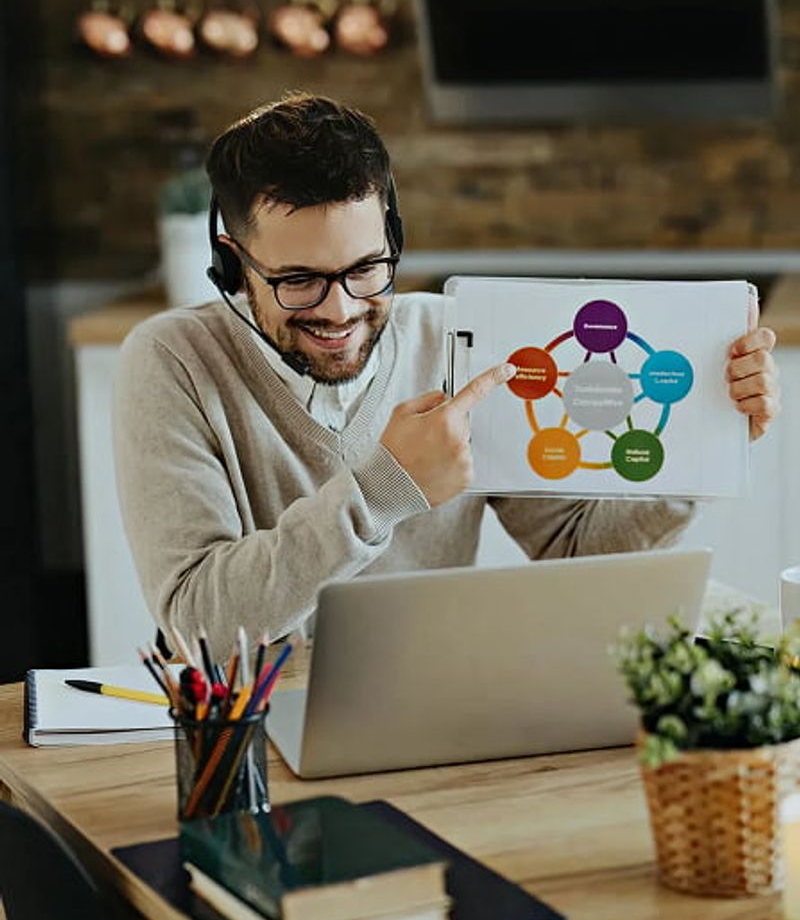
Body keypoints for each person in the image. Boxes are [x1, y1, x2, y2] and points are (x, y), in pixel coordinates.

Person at [113, 94, 780, 657]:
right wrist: (383, 491)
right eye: (298, 281)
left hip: (427, 716)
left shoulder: (454, 337)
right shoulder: (171, 362)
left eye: (366, 268)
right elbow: (198, 621)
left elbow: (575, 548)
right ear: (234, 263)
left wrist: (698, 440)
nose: (340, 309)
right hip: (247, 732)